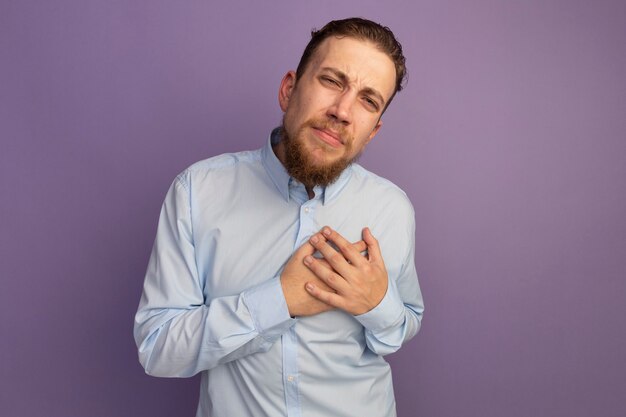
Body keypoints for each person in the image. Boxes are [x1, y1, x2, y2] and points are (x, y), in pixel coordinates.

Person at [134, 17, 424, 417]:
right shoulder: (196, 191)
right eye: (332, 81)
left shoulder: (392, 209)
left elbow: (402, 325)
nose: (342, 111)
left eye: (368, 101)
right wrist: (278, 300)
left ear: (372, 131)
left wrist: (377, 304)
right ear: (289, 89)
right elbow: (157, 348)